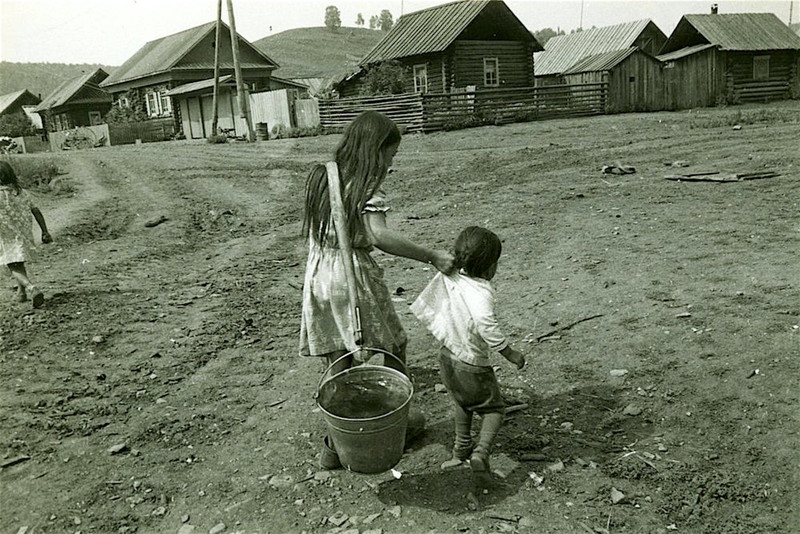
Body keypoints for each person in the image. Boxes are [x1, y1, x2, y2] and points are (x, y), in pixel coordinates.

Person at [299, 110, 455, 469]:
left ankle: (336, 443)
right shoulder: (365, 185)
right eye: (391, 154)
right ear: (376, 149)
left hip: (319, 273)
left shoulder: (324, 175)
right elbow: (378, 235)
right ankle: (393, 423)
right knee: (393, 344)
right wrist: (431, 255)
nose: (390, 162)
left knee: (338, 354)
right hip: (351, 273)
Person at [410, 226, 525, 486]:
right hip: (471, 364)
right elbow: (486, 324)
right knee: (494, 409)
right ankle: (481, 453)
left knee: (462, 403)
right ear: (488, 268)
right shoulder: (481, 292)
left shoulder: (449, 277)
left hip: (447, 357)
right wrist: (509, 352)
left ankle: (460, 450)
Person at [0, 161, 52, 308]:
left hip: (5, 236)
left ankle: (31, 288)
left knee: (12, 266)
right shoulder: (22, 193)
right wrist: (44, 231)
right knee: (18, 262)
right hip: (23, 234)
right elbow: (36, 211)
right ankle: (21, 293)